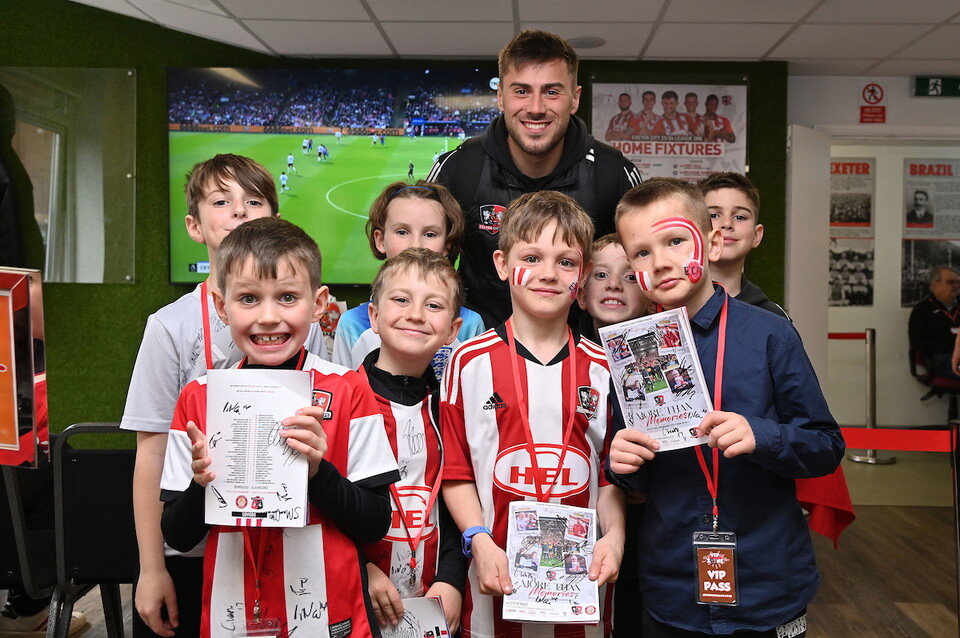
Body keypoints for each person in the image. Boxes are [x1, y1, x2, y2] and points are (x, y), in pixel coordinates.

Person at [607, 178, 845, 636]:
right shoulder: (630, 349)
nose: (660, 262)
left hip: (766, 579)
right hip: (671, 583)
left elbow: (826, 445)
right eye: (640, 253)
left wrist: (764, 436)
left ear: (712, 242)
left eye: (675, 241)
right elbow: (632, 470)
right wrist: (623, 464)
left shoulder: (770, 334)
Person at [159, 216, 399, 638]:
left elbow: (376, 521)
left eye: (287, 297)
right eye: (248, 299)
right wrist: (201, 486)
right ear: (221, 305)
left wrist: (318, 473)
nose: (268, 317)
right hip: (232, 609)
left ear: (320, 302)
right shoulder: (198, 398)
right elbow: (177, 535)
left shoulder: (348, 389)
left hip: (330, 610)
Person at [121, 154, 326, 638]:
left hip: (282, 541)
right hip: (189, 548)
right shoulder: (170, 326)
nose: (239, 211)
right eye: (221, 201)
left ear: (275, 220)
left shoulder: (301, 325)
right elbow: (151, 455)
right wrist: (152, 569)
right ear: (195, 226)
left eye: (253, 201)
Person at [441, 190, 627, 638]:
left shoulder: (605, 370)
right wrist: (478, 539)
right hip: (492, 585)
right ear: (503, 264)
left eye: (566, 261)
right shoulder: (467, 363)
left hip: (583, 591)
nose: (548, 273)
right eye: (532, 257)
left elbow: (610, 476)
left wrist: (615, 536)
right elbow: (456, 471)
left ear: (580, 276)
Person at [427, 29, 642, 329]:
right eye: (521, 91)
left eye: (552, 92)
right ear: (501, 97)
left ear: (575, 98)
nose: (537, 108)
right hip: (479, 359)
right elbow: (421, 271)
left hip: (585, 361)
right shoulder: (461, 167)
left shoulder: (611, 172)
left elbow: (645, 273)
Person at [359, 248, 468, 633]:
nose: (416, 314)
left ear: (453, 330)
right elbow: (323, 505)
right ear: (374, 316)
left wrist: (453, 578)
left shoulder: (452, 407)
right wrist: (363, 569)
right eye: (401, 300)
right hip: (359, 595)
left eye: (433, 305)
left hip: (431, 600)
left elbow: (458, 496)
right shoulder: (342, 401)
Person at [331, 181, 485, 376]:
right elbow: (343, 395)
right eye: (402, 232)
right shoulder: (352, 324)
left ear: (447, 245)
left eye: (430, 234)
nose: (415, 244)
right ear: (380, 240)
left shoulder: (470, 324)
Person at [698, 172, 788, 319]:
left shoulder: (774, 318)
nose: (727, 224)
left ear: (757, 235)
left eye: (740, 217)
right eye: (713, 215)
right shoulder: (668, 308)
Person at [576, 233, 650, 342]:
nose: (614, 284)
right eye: (602, 275)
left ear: (652, 300)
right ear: (582, 297)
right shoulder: (564, 354)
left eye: (630, 277)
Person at [910, 266, 960, 378]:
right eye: (951, 282)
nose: (956, 286)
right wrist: (952, 347)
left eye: (958, 282)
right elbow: (919, 342)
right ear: (936, 284)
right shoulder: (922, 310)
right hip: (941, 358)